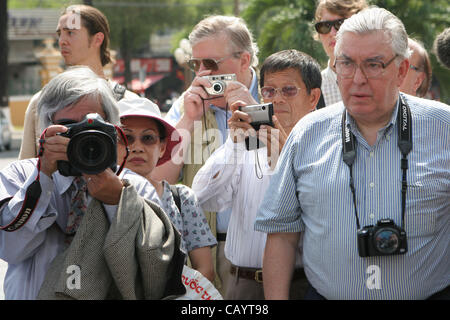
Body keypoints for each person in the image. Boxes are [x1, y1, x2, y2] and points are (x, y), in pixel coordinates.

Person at [255, 7, 450, 300]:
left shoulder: (443, 128)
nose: (357, 78)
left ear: (401, 70)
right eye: (345, 64)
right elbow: (282, 235)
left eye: (373, 65)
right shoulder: (307, 134)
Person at [0, 67, 184, 300]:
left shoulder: (135, 187)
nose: (81, 137)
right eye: (68, 127)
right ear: (47, 128)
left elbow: (155, 266)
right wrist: (43, 175)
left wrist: (119, 203)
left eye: (91, 125)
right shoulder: (20, 177)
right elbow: (11, 250)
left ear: (112, 128)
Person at [192, 50, 321, 299]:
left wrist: (284, 158)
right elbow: (203, 198)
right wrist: (234, 143)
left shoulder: (325, 146)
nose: (278, 99)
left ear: (313, 96)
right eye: (270, 91)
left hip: (301, 284)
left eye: (289, 90)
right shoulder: (247, 143)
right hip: (242, 283)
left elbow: (321, 211)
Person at [152, 15, 260, 295]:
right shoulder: (187, 104)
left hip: (263, 250)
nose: (201, 73)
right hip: (202, 252)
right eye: (195, 64)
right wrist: (189, 120)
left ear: (244, 61)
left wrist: (256, 112)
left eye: (210, 64)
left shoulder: (274, 94)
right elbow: (159, 179)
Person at [116, 97, 217, 282]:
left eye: (148, 138)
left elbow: (205, 270)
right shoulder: (99, 194)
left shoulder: (183, 199)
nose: (137, 147)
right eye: (126, 138)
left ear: (162, 147)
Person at [19, 4, 138, 160]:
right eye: (59, 34)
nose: (62, 41)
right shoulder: (42, 102)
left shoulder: (131, 103)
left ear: (97, 39)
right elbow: (25, 168)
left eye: (70, 33)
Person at [313, 0, 368, 107]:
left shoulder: (380, 76)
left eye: (341, 24)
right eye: (324, 26)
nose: (333, 33)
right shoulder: (312, 88)